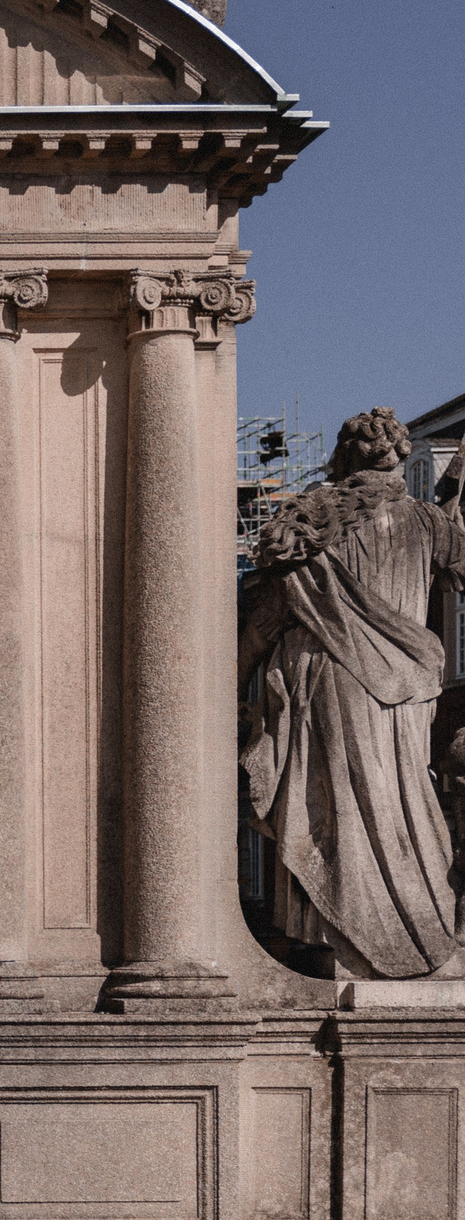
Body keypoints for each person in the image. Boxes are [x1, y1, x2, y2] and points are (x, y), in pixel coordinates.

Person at [242, 407, 465, 979]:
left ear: (341, 459)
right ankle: (416, 929)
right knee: (403, 800)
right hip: (404, 689)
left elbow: (270, 614)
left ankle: (336, 936)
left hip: (327, 676)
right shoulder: (429, 524)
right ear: (396, 459)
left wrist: (232, 671)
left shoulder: (309, 523)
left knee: (336, 802)